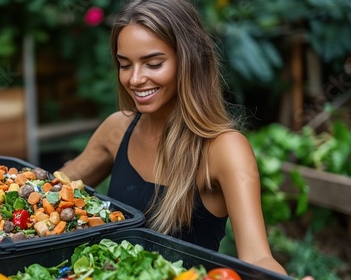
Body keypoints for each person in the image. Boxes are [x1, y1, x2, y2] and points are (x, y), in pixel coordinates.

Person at [60, 0, 288, 275]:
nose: (134, 79)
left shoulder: (224, 149)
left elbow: (257, 257)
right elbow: (53, 188)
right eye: (124, 65)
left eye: (153, 64)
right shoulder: (117, 129)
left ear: (189, 60)